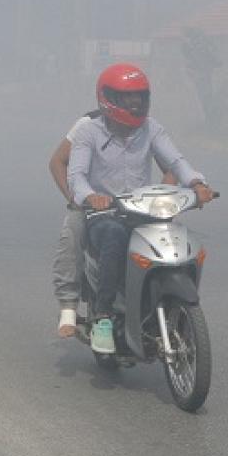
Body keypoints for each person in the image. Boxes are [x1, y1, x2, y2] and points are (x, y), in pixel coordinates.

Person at [64, 63, 214, 348]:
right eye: (128, 97)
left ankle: (173, 307)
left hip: (143, 212)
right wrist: (90, 197)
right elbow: (76, 177)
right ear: (108, 99)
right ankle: (104, 318)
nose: (136, 104)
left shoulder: (151, 129)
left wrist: (196, 183)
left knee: (178, 239)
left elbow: (176, 161)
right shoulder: (89, 133)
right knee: (114, 235)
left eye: (141, 97)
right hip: (104, 215)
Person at [48, 111, 175, 337]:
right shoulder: (87, 126)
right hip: (97, 207)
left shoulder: (145, 127)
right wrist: (77, 198)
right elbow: (58, 161)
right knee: (73, 231)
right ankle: (70, 306)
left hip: (138, 208)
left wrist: (163, 195)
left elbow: (171, 168)